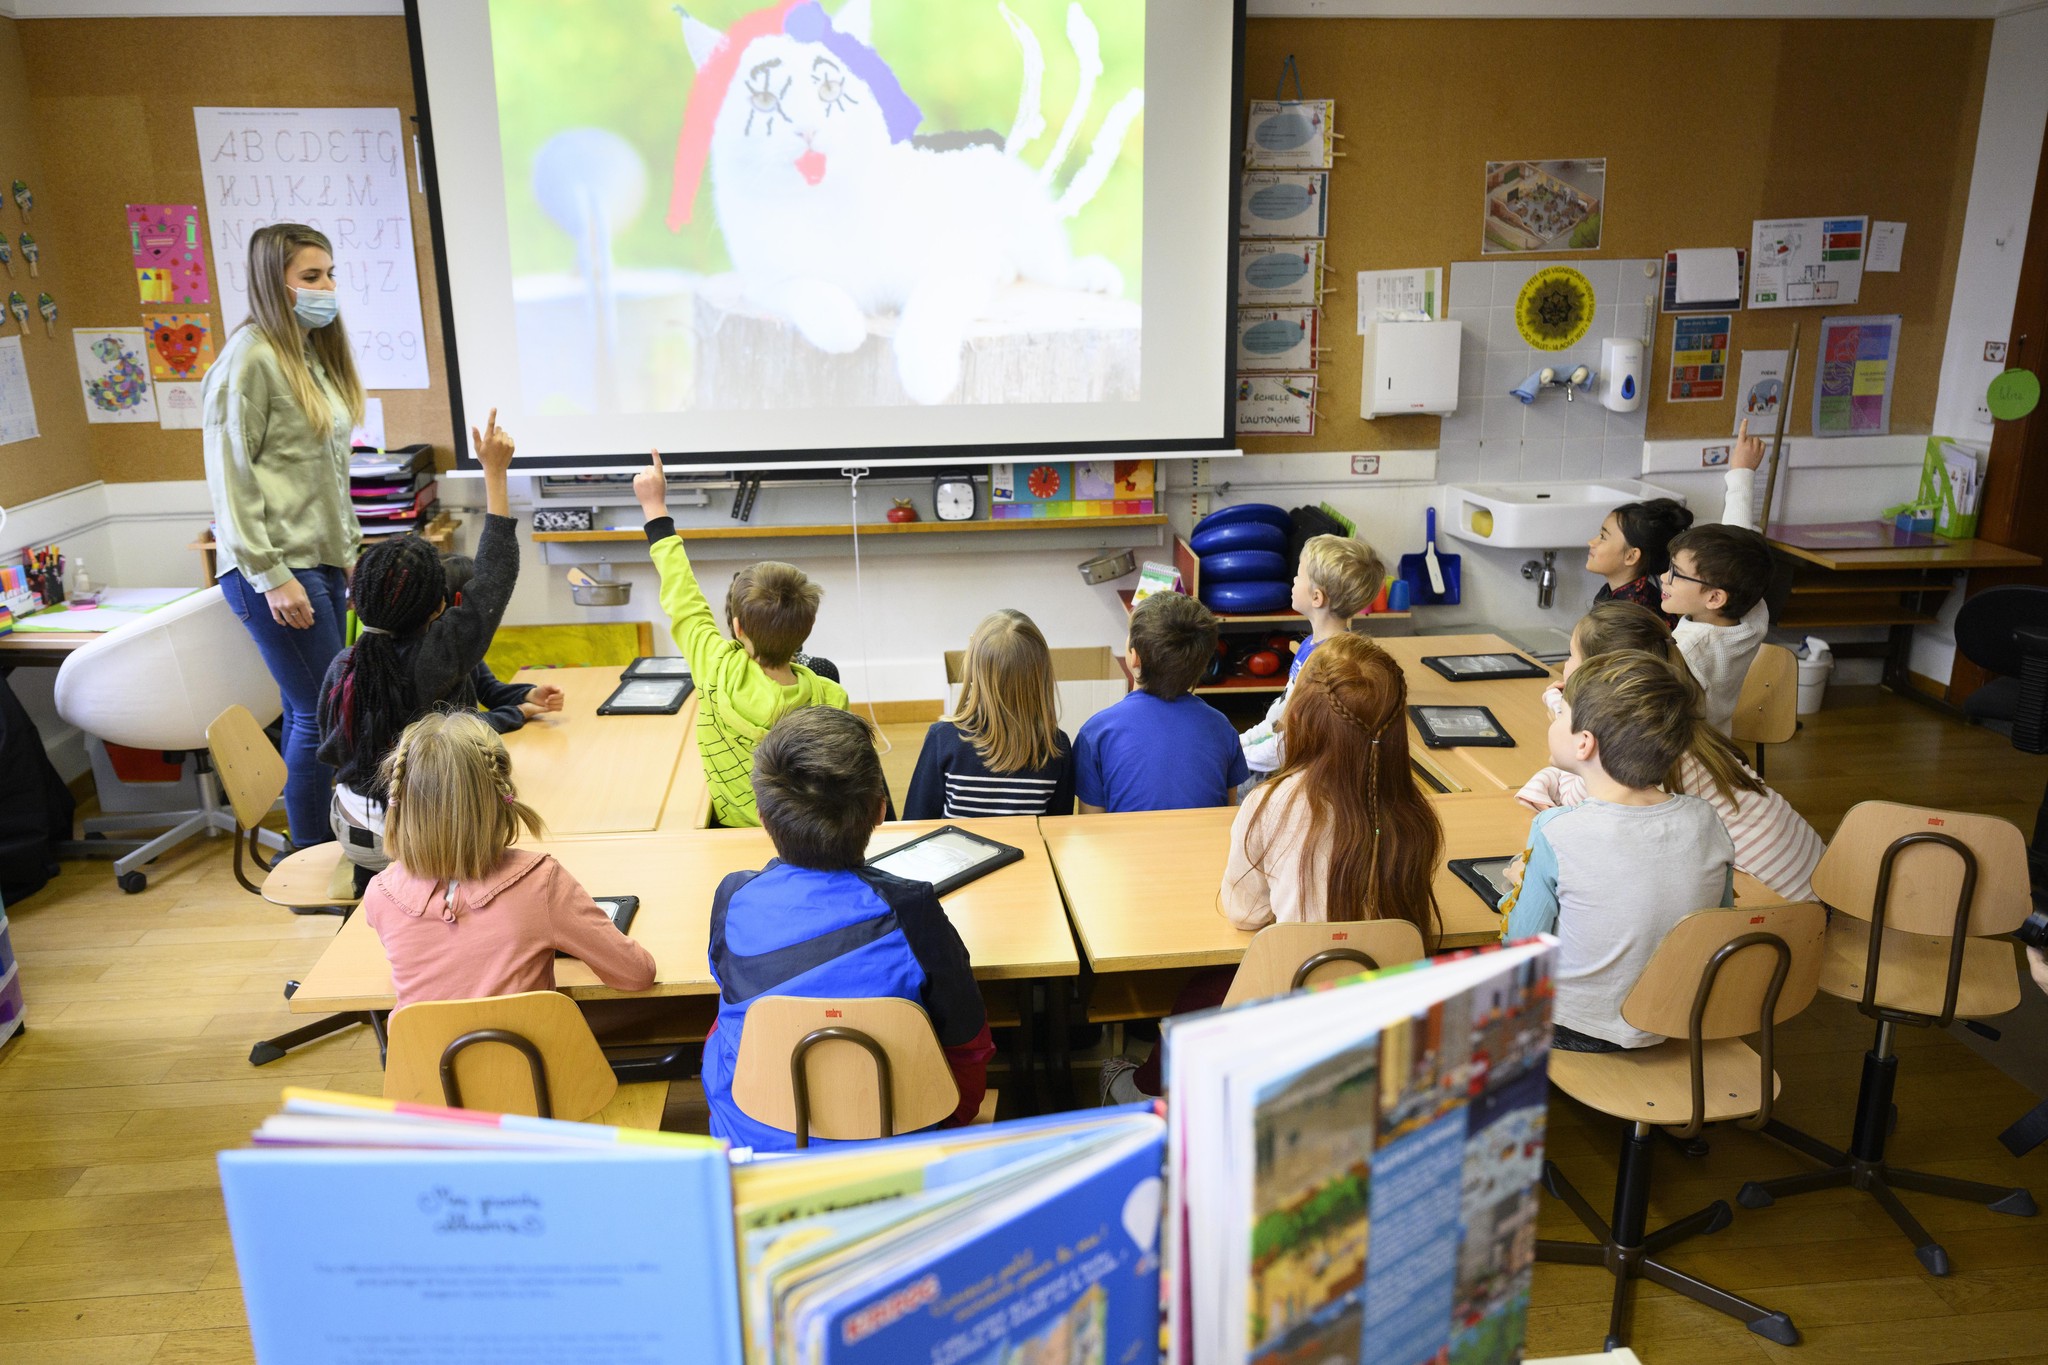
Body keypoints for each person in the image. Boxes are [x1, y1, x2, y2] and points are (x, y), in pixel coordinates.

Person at [702, 707, 994, 1152]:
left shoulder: (733, 898)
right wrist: (951, 1118)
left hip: (752, 1143)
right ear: (880, 810)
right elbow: (968, 1042)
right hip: (896, 1141)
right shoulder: (913, 911)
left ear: (762, 816)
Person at [201, 223, 367, 846]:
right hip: (274, 571)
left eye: (330, 275)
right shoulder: (248, 360)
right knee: (318, 717)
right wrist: (272, 576)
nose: (327, 288)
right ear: (276, 283)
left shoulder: (309, 355)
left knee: (332, 714)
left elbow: (327, 474)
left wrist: (347, 554)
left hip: (321, 563)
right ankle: (312, 862)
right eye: (311, 277)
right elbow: (232, 483)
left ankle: (346, 850)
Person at [317, 412, 520, 891]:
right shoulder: (439, 655)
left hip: (354, 832)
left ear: (360, 598)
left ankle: (379, 900)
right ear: (437, 607)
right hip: (423, 839)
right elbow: (493, 576)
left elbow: (332, 749)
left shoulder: (343, 664)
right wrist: (495, 473)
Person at [1502, 650, 1735, 1052]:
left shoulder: (1556, 830)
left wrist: (1513, 894)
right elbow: (1720, 922)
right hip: (1680, 1017)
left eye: (1562, 714)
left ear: (1584, 744)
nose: (1555, 721)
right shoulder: (1707, 820)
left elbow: (1522, 950)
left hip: (1576, 1027)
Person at [1516, 601, 1824, 902]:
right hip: (1813, 888)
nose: (1564, 667)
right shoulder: (1671, 728)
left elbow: (1578, 804)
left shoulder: (1637, 753)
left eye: (1571, 657)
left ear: (1599, 674)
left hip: (1777, 912)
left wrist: (1562, 717)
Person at [361, 710, 654, 1011]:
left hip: (424, 1058)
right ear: (501, 794)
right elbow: (636, 974)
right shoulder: (541, 882)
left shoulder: (380, 892)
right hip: (528, 1058)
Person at [634, 450, 847, 826]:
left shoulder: (716, 667)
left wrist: (655, 508)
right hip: (807, 835)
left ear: (737, 627)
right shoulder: (831, 699)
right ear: (808, 629)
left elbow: (683, 598)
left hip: (735, 830)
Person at [1222, 632, 1443, 937]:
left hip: (1300, 982)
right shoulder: (1415, 814)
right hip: (1390, 983)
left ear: (1297, 717)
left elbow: (1245, 914)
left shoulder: (1267, 804)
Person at [1075, 591, 1248, 812]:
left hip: (1123, 846)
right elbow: (1226, 812)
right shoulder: (1222, 727)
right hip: (1206, 846)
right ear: (1204, 664)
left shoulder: (1095, 732)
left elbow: (1092, 827)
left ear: (1134, 656)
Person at [1238, 534, 1387, 779]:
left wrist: (1240, 758)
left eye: (1299, 574)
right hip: (1278, 756)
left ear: (1317, 597)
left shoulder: (1328, 666)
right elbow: (1281, 714)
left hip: (1295, 774)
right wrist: (1240, 744)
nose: (1293, 580)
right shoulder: (1311, 644)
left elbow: (1290, 745)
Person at [905, 609, 1075, 820]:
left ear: (974, 671)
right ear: (1041, 676)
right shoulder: (1057, 746)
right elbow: (1057, 828)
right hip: (1030, 853)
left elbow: (915, 820)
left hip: (955, 853)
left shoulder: (942, 738)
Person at [1664, 421, 1775, 734]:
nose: (1663, 578)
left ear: (1715, 597)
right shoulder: (1751, 616)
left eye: (1676, 574)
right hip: (1717, 748)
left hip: (1681, 761)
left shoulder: (1688, 648)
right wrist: (1742, 471)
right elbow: (1737, 539)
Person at [441, 553, 564, 732]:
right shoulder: (435, 659)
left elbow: (489, 689)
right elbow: (456, 728)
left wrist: (530, 694)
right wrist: (519, 712)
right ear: (461, 601)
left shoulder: (462, 643)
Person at [1586, 498, 1692, 624]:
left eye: (1603, 537)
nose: (1591, 542)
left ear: (1631, 556)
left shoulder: (1631, 616)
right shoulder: (1619, 597)